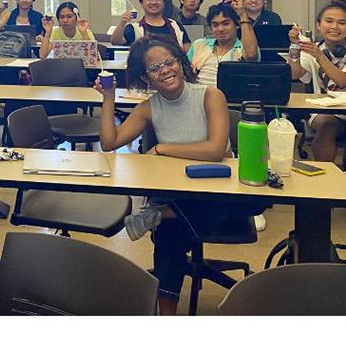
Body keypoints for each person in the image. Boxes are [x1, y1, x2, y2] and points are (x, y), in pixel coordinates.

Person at [94, 37, 240, 314]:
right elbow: (110, 143)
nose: (165, 70)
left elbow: (215, 150)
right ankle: (168, 317)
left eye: (169, 62)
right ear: (145, 78)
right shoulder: (151, 107)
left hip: (219, 190)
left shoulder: (210, 95)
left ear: (181, 63)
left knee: (171, 227)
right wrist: (108, 98)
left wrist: (161, 148)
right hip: (178, 193)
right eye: (155, 68)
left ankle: (161, 213)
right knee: (168, 235)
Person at [289, 0, 346, 167]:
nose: (334, 27)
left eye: (341, 23)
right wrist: (294, 47)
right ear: (319, 25)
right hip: (326, 110)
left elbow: (342, 80)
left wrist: (319, 56)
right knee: (327, 127)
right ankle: (325, 180)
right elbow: (296, 74)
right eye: (329, 21)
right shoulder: (315, 48)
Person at [186, 3, 257, 88]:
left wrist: (242, 15)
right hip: (198, 96)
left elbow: (251, 55)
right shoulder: (199, 44)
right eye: (215, 25)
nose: (220, 29)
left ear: (237, 24)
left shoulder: (244, 48)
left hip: (230, 98)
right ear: (211, 28)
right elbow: (184, 72)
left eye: (226, 24)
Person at [109, 0, 182, 46]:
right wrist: (122, 23)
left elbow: (187, 52)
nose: (154, 2)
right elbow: (116, 42)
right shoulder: (134, 28)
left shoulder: (176, 26)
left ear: (164, 3)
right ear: (141, 3)